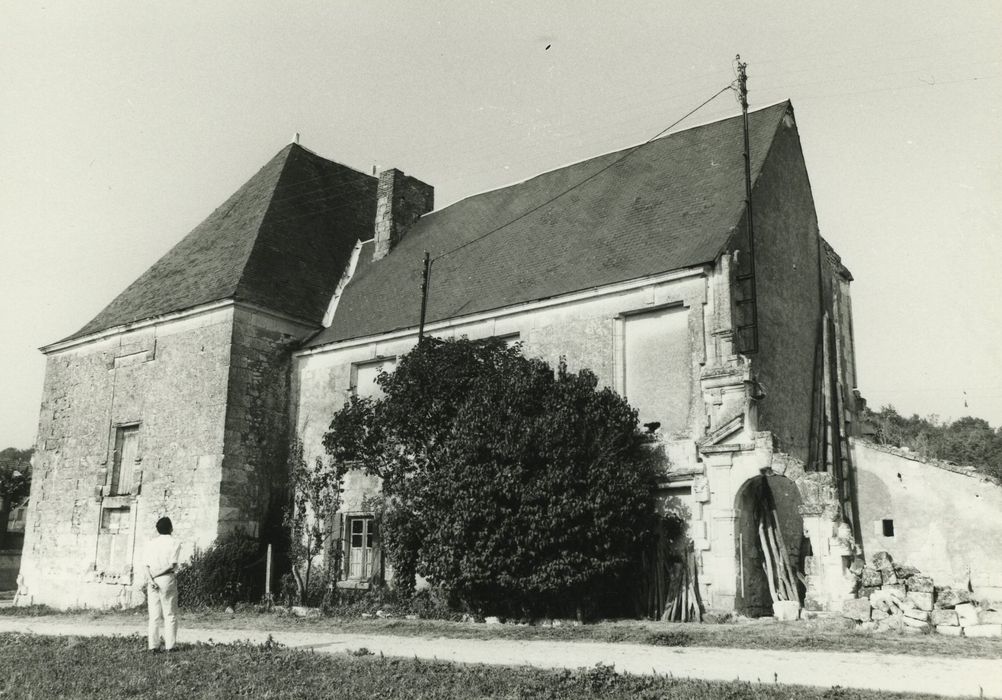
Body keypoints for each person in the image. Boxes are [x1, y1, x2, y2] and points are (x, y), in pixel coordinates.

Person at [145, 516, 181, 652]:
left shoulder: (151, 543)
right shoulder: (175, 542)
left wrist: (150, 579)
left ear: (158, 530)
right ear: (171, 528)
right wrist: (157, 575)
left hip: (152, 580)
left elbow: (146, 565)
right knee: (169, 614)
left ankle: (153, 646)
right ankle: (170, 646)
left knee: (154, 615)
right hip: (165, 578)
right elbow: (172, 565)